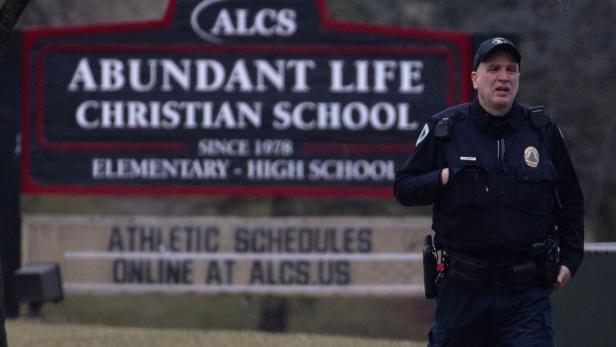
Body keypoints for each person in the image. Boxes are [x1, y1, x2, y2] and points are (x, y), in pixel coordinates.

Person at [394, 36, 584, 346]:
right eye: (493, 68)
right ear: (475, 78)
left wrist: (571, 259)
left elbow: (571, 201)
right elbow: (403, 188)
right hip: (462, 293)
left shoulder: (541, 130)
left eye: (511, 69)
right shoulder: (446, 129)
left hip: (525, 294)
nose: (503, 77)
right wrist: (443, 177)